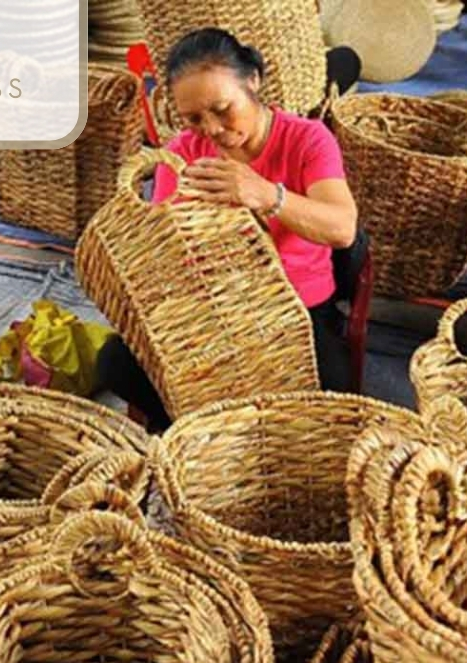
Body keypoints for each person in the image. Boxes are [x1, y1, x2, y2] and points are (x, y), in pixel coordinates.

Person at [97, 28, 361, 431]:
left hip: (294, 308)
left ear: (252, 81)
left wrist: (268, 196)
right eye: (194, 119)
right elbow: (168, 247)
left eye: (223, 108)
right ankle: (214, 436)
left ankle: (215, 426)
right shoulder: (184, 152)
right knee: (116, 361)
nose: (213, 129)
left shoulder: (307, 139)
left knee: (329, 390)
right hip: (214, 308)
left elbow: (342, 228)